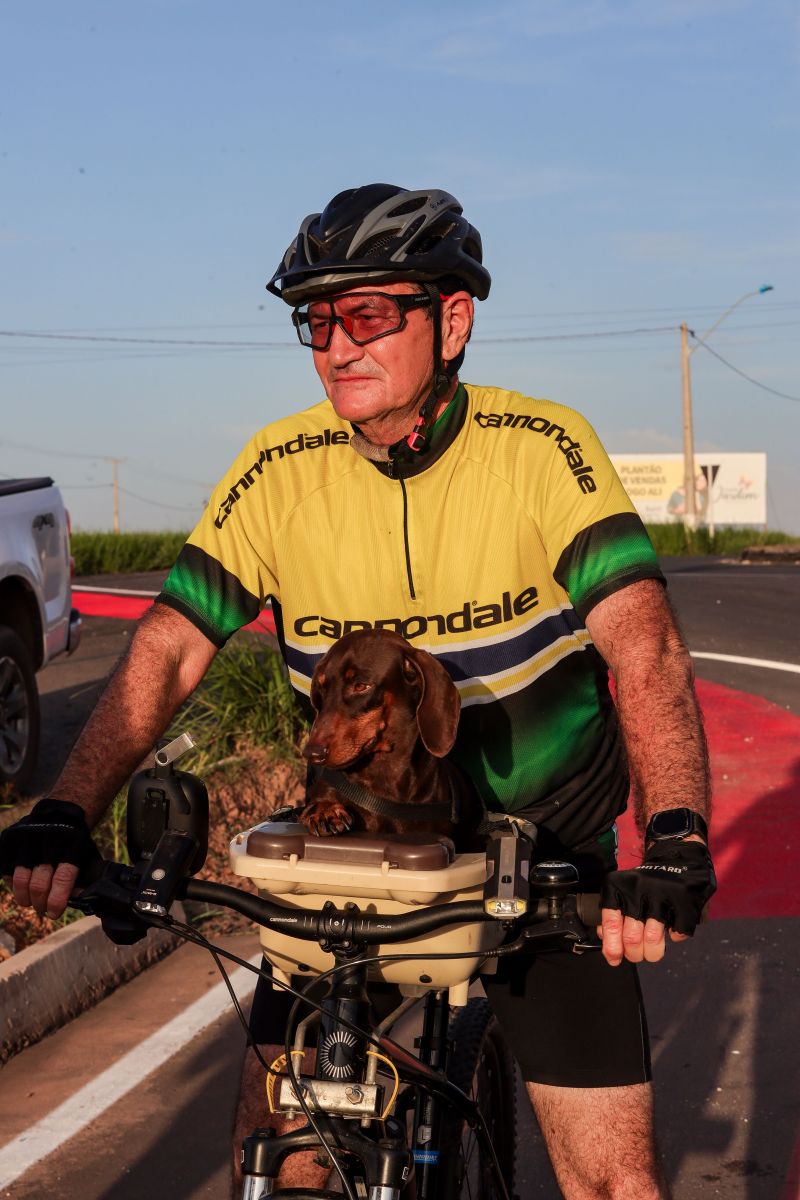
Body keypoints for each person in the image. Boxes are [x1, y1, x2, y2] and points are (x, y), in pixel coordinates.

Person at [0, 184, 715, 1199]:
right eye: (317, 320)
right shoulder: (278, 469)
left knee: (610, 1184)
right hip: (361, 861)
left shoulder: (540, 450)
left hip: (542, 852)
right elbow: (167, 648)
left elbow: (643, 648)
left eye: (369, 313)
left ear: (451, 319)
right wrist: (67, 808)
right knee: (282, 1159)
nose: (338, 344)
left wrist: (676, 831)